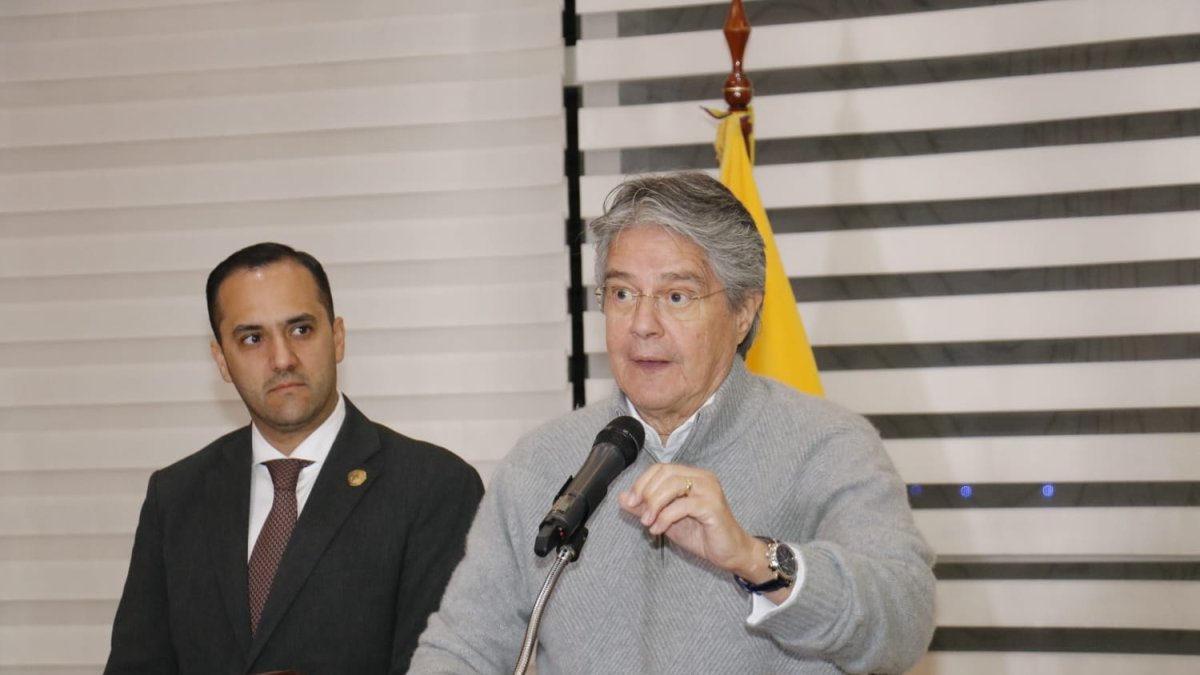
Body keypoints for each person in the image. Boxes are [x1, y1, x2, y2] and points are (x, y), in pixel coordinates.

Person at [410, 172, 935, 674]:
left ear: (743, 312)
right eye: (622, 294)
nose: (641, 325)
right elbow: (462, 649)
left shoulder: (827, 446)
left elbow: (903, 622)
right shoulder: (542, 461)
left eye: (676, 297)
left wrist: (756, 560)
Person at [105, 242, 484, 675]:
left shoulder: (434, 488)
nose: (282, 358)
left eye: (301, 330)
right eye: (252, 339)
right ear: (222, 361)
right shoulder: (175, 497)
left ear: (337, 337)